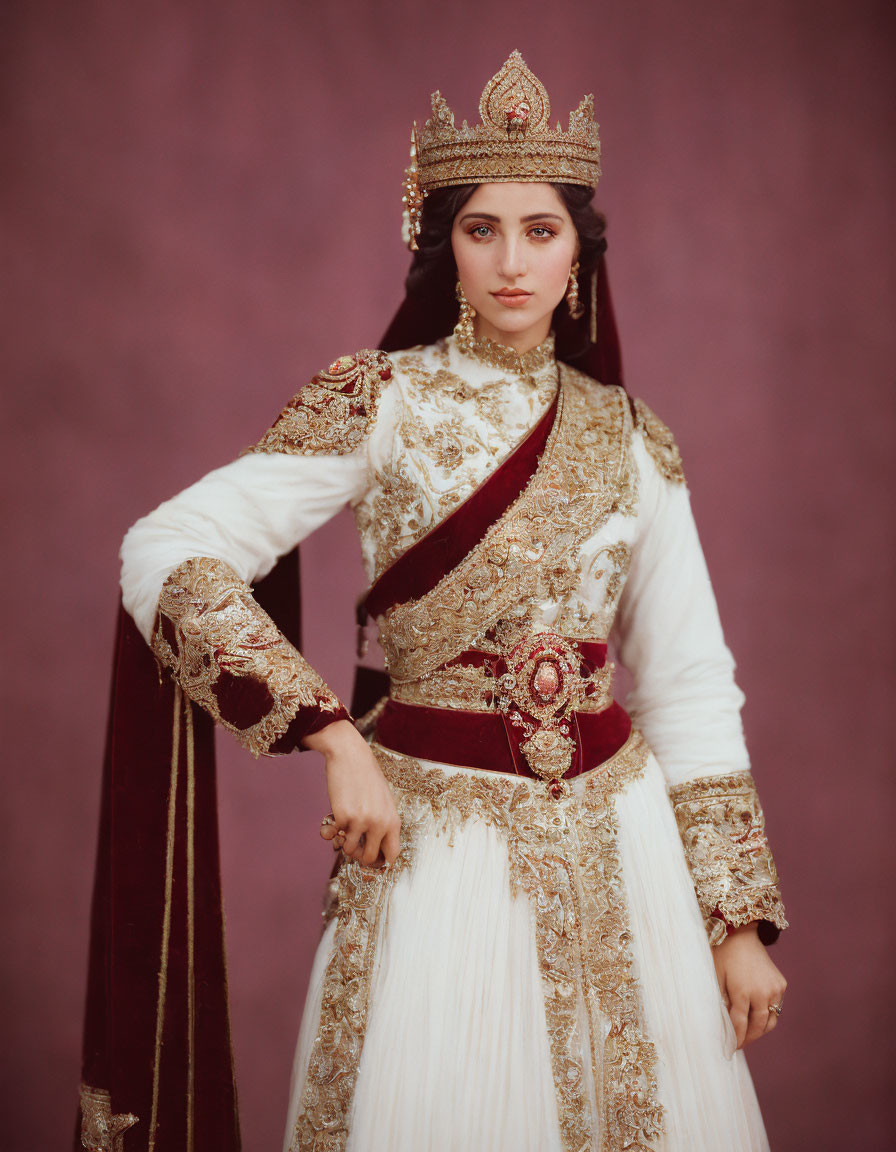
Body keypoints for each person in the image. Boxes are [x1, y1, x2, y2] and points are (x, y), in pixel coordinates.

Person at [93, 51, 788, 1152]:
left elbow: (691, 681)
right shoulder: (381, 401)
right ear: (441, 244)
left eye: (541, 231)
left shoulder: (632, 440)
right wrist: (329, 733)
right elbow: (166, 547)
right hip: (434, 847)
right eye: (480, 230)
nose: (511, 261)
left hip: (628, 852)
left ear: (578, 253)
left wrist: (732, 921)